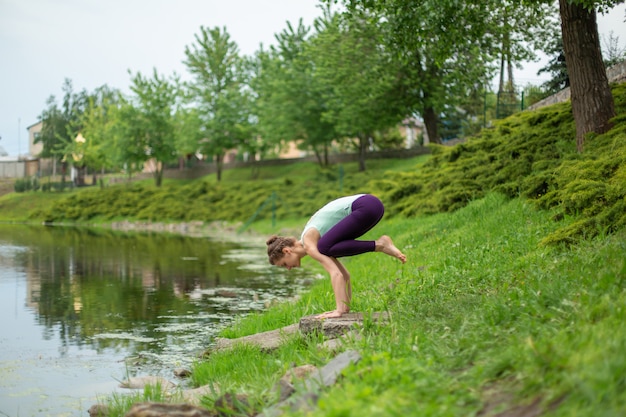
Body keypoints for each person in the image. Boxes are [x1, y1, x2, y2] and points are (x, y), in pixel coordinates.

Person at [266, 193, 407, 319]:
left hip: (366, 206)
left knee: (324, 247)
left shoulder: (310, 245)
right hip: (373, 207)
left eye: (284, 264)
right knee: (326, 248)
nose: (288, 268)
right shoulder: (316, 243)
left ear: (287, 251)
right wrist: (345, 308)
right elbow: (345, 275)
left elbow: (336, 274)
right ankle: (380, 244)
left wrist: (338, 311)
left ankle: (380, 244)